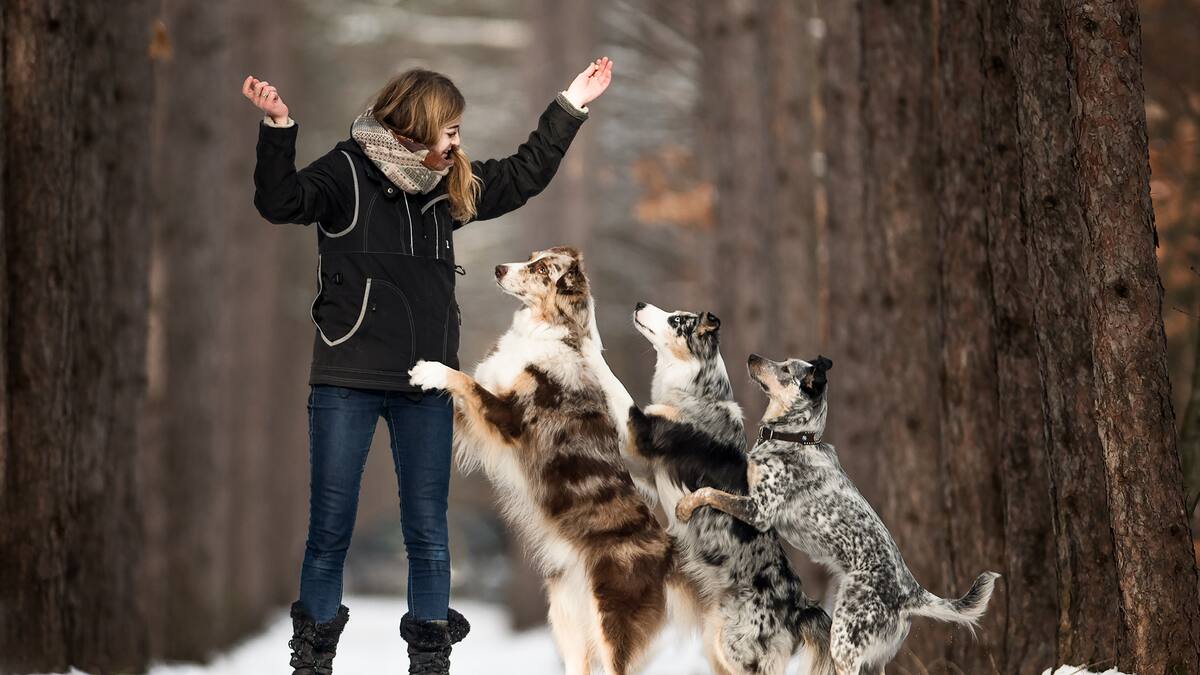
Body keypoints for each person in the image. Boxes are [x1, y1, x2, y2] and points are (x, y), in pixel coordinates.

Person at [242, 57, 613, 675]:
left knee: (429, 533)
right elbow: (279, 202)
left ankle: (431, 661)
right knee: (329, 530)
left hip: (423, 382)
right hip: (346, 377)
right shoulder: (345, 173)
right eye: (451, 130)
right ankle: (311, 661)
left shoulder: (450, 187)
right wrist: (279, 127)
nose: (458, 141)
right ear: (416, 124)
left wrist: (572, 102)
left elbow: (523, 174)